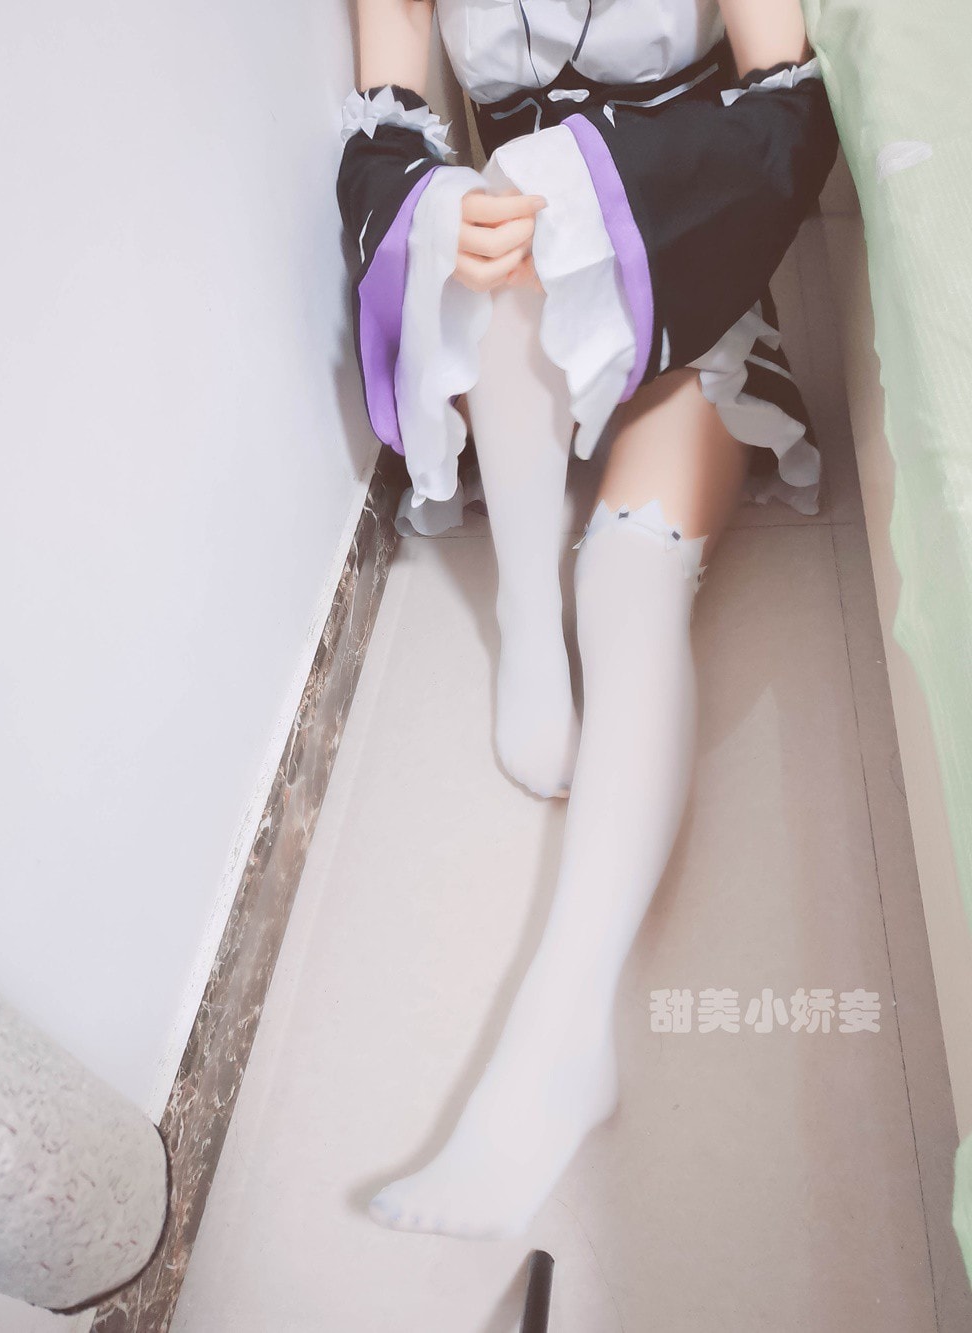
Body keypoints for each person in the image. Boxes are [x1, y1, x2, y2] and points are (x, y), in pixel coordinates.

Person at [337, 0, 839, 1240]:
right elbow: (386, 122)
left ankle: (557, 1044)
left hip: (684, 271)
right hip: (514, 310)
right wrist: (444, 210)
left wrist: (590, 191)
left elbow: (790, 119)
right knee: (504, 200)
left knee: (632, 575)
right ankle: (525, 608)